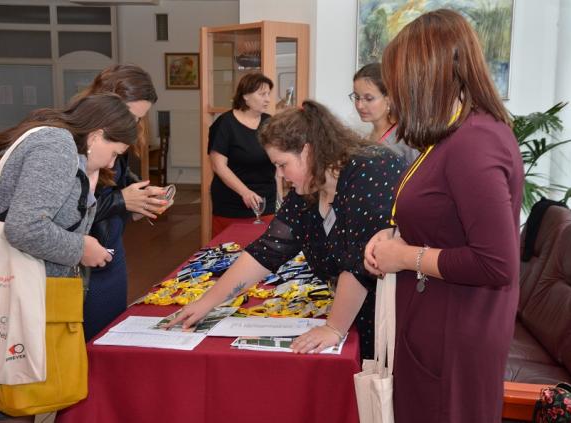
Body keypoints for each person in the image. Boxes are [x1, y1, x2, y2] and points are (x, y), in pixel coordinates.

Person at [364, 9, 524, 422]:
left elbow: (495, 262)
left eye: (400, 84)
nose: (396, 97)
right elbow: (441, 220)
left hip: (455, 336)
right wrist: (390, 238)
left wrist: (404, 257)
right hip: (436, 325)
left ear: (427, 76)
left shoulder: (474, 143)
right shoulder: (452, 135)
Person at [165, 100, 408, 359]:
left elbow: (360, 262)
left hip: (391, 312)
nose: (280, 175)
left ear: (308, 152)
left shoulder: (370, 170)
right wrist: (207, 302)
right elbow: (268, 249)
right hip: (355, 308)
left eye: (282, 165)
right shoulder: (309, 187)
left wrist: (334, 328)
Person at [0, 93, 139, 421]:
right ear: (98, 134)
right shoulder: (56, 146)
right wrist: (81, 248)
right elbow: (25, 228)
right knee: (3, 405)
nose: (112, 164)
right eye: (115, 153)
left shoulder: (54, 143)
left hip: (4, 299)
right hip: (11, 303)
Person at [71, 64, 166, 341]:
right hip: (84, 259)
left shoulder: (115, 136)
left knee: (109, 331)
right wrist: (123, 200)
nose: (134, 126)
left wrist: (140, 202)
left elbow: (117, 188)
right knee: (88, 339)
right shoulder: (72, 143)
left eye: (140, 119)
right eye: (132, 116)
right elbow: (72, 210)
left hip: (111, 250)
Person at [208, 72, 282, 237]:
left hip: (265, 201)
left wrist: (280, 199)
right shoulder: (225, 124)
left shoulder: (270, 123)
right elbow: (218, 166)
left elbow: (278, 164)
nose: (268, 99)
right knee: (229, 252)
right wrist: (245, 192)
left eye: (269, 94)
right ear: (245, 96)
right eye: (262, 94)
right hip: (232, 203)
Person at [351, 63, 417, 164]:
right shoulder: (365, 136)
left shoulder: (406, 139)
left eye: (369, 99)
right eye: (356, 97)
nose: (359, 105)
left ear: (389, 98)